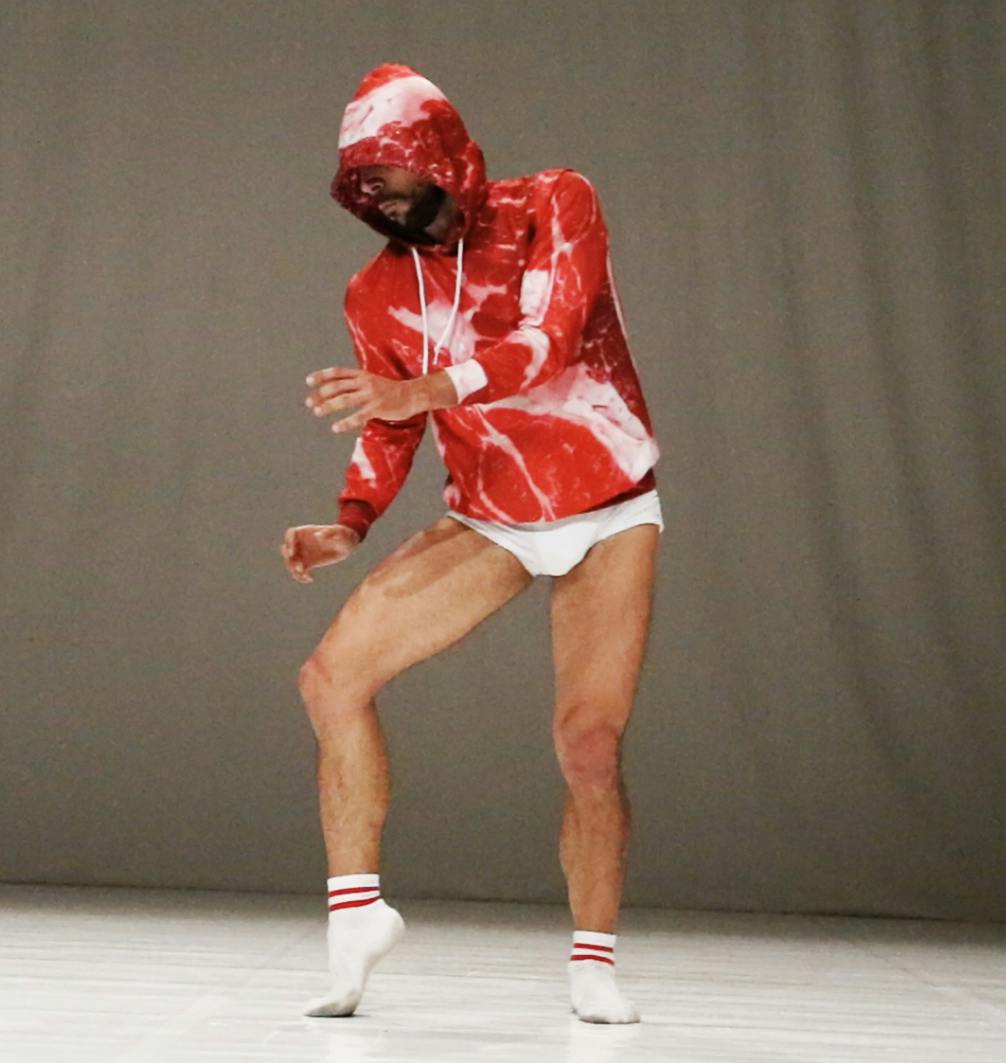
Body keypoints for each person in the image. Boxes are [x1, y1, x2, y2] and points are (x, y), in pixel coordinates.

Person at [281, 63, 661, 1025]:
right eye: (391, 209)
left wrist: (423, 391)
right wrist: (349, 521)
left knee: (587, 745)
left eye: (421, 195)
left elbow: (556, 339)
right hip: (493, 516)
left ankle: (592, 959)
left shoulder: (554, 203)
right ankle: (356, 916)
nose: (411, 221)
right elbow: (387, 422)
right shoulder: (377, 293)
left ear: (454, 160)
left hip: (608, 505)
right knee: (331, 678)